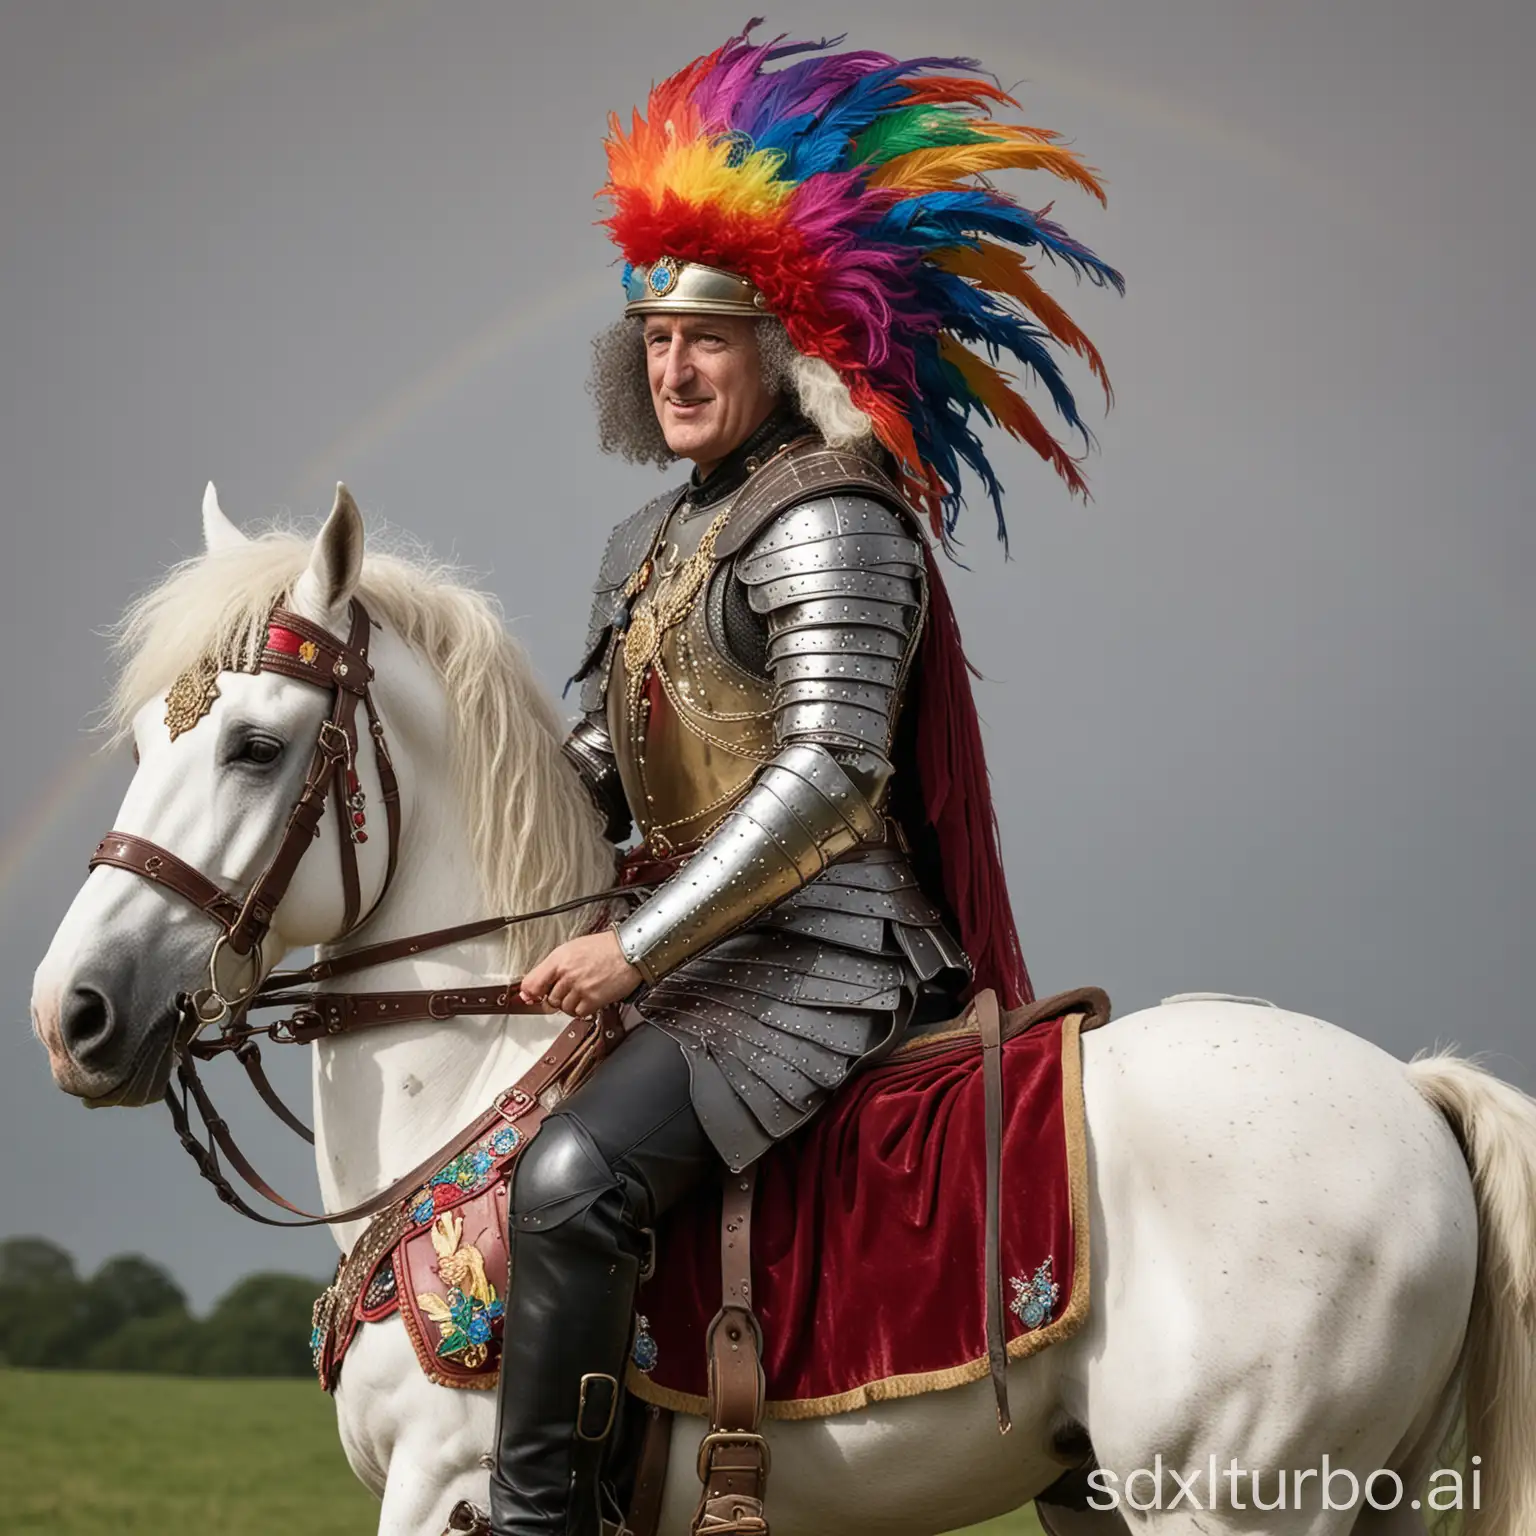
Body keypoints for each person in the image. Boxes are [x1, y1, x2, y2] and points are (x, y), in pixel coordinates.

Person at [488, 26, 1120, 1536]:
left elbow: (832, 775)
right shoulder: (645, 545)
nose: (677, 365)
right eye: (654, 340)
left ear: (786, 350)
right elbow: (608, 767)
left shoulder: (831, 516)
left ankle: (540, 1519)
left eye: (708, 336)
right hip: (708, 958)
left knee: (572, 1179)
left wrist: (629, 946)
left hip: (823, 958)